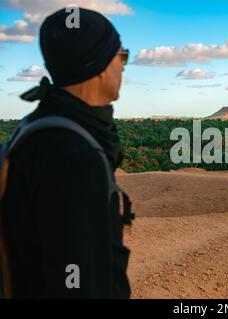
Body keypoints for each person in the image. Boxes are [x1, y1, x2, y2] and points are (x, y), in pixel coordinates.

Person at [1, 7, 131, 298]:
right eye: (121, 56)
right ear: (97, 64)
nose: (123, 66)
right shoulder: (73, 157)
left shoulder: (36, 128)